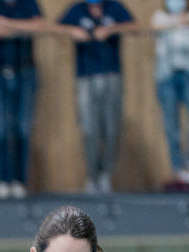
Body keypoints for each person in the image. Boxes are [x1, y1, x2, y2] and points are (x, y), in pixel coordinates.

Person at [57, 0, 137, 194]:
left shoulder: (114, 7)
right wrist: (72, 32)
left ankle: (105, 174)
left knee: (111, 128)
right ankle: (92, 175)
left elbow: (135, 25)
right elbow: (55, 26)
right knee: (89, 129)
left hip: (111, 75)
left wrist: (112, 30)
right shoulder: (77, 9)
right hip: (86, 77)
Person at [0, 0, 43, 199]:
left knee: (22, 128)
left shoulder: (28, 3)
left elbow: (39, 27)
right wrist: (21, 27)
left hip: (24, 71)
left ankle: (19, 180)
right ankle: (3, 179)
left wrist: (4, 24)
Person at [151, 0, 189, 191]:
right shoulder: (160, 16)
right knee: (171, 126)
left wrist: (188, 21)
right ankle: (179, 172)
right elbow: (155, 26)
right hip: (166, 76)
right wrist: (176, 22)